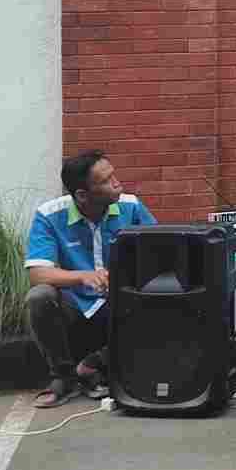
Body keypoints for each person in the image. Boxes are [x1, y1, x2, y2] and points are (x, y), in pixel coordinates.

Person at [23, 150, 156, 408]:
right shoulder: (50, 215)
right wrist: (82, 276)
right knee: (39, 297)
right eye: (106, 181)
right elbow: (37, 273)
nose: (117, 183)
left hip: (122, 304)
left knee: (168, 297)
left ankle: (94, 364)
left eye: (114, 175)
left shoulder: (132, 207)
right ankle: (63, 377)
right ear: (82, 195)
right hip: (77, 307)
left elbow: (161, 252)